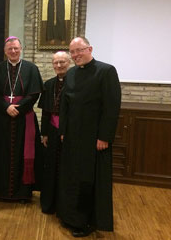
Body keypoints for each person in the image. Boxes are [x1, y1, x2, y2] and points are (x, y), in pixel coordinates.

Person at [58, 37, 121, 237]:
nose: (75, 55)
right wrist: (62, 131)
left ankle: (87, 222)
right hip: (72, 137)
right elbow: (65, 106)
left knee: (88, 181)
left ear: (90, 49)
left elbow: (112, 107)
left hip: (94, 140)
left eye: (79, 50)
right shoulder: (71, 73)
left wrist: (104, 137)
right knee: (72, 178)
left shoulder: (106, 71)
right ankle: (70, 217)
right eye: (72, 52)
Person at [0, 36, 44, 202]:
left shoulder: (31, 68)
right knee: (1, 154)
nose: (13, 51)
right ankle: (1, 191)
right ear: (5, 51)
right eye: (10, 49)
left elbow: (34, 94)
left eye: (16, 48)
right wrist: (6, 107)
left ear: (21, 49)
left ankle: (23, 192)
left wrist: (18, 108)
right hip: (3, 118)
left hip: (23, 118)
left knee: (22, 154)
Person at [38, 51, 71, 214]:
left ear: (69, 62)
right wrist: (44, 133)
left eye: (62, 62)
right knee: (50, 166)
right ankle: (49, 202)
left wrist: (65, 130)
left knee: (65, 167)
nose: (59, 65)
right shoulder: (49, 84)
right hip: (51, 130)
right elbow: (45, 111)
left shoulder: (74, 82)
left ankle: (63, 205)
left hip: (68, 132)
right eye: (56, 62)